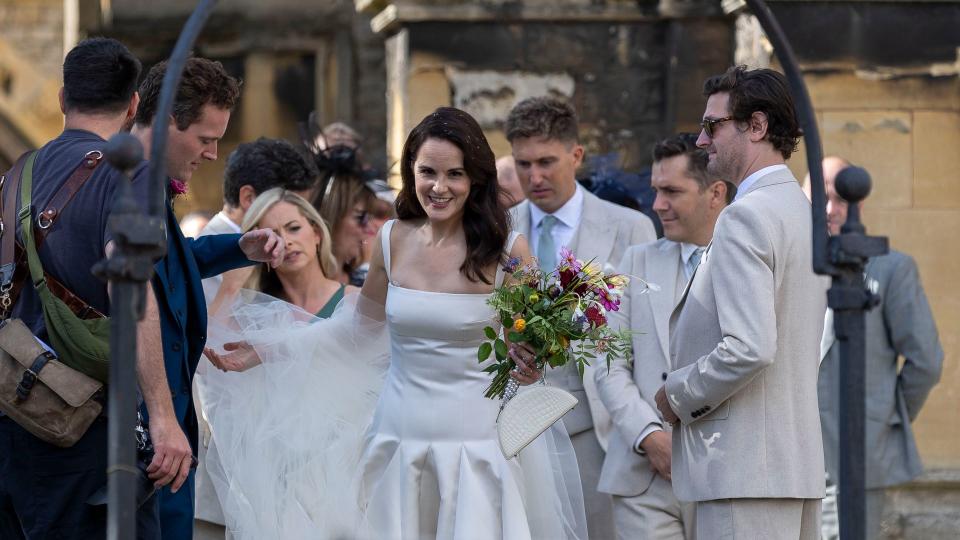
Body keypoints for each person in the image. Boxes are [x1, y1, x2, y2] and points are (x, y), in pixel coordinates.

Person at [201, 107, 588, 539]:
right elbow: (357, 332)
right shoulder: (392, 239)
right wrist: (269, 350)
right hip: (396, 443)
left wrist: (531, 361)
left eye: (454, 174)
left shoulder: (508, 251)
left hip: (476, 447)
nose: (439, 188)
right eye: (427, 172)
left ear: (475, 179)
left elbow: (537, 341)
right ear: (411, 172)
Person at [0, 36, 167, 540]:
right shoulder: (130, 172)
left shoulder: (16, 173)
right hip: (84, 427)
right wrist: (162, 413)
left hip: (12, 414)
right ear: (134, 103)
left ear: (60, 98)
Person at [655, 65, 826, 539]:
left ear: (757, 126)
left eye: (712, 126)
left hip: (744, 472)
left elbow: (750, 346)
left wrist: (677, 394)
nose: (702, 140)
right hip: (791, 469)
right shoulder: (802, 211)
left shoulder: (745, 217)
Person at [130, 57, 285, 540]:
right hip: (145, 432)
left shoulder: (149, 185)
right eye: (205, 138)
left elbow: (172, 262)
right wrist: (161, 415)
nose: (214, 153)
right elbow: (132, 295)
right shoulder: (123, 188)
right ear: (168, 121)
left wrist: (239, 247)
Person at [506, 96, 656, 539]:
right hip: (515, 422)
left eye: (547, 162)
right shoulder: (497, 229)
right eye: (523, 164)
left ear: (576, 155)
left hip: (598, 425)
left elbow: (641, 336)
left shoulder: (630, 227)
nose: (535, 177)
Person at [595, 133, 733, 540]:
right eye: (656, 191)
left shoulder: (749, 262)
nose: (657, 205)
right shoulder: (635, 261)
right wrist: (648, 436)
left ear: (716, 193)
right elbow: (608, 363)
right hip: (644, 479)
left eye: (671, 191)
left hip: (725, 473)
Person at [803, 156, 943, 540]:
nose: (830, 209)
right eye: (819, 197)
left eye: (841, 200)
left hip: (856, 465)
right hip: (788, 466)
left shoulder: (891, 270)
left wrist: (882, 416)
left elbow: (926, 362)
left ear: (858, 205)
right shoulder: (784, 269)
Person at [192, 137, 319, 533]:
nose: (290, 234)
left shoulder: (268, 260)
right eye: (288, 210)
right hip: (217, 470)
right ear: (249, 198)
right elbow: (209, 362)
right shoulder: (212, 258)